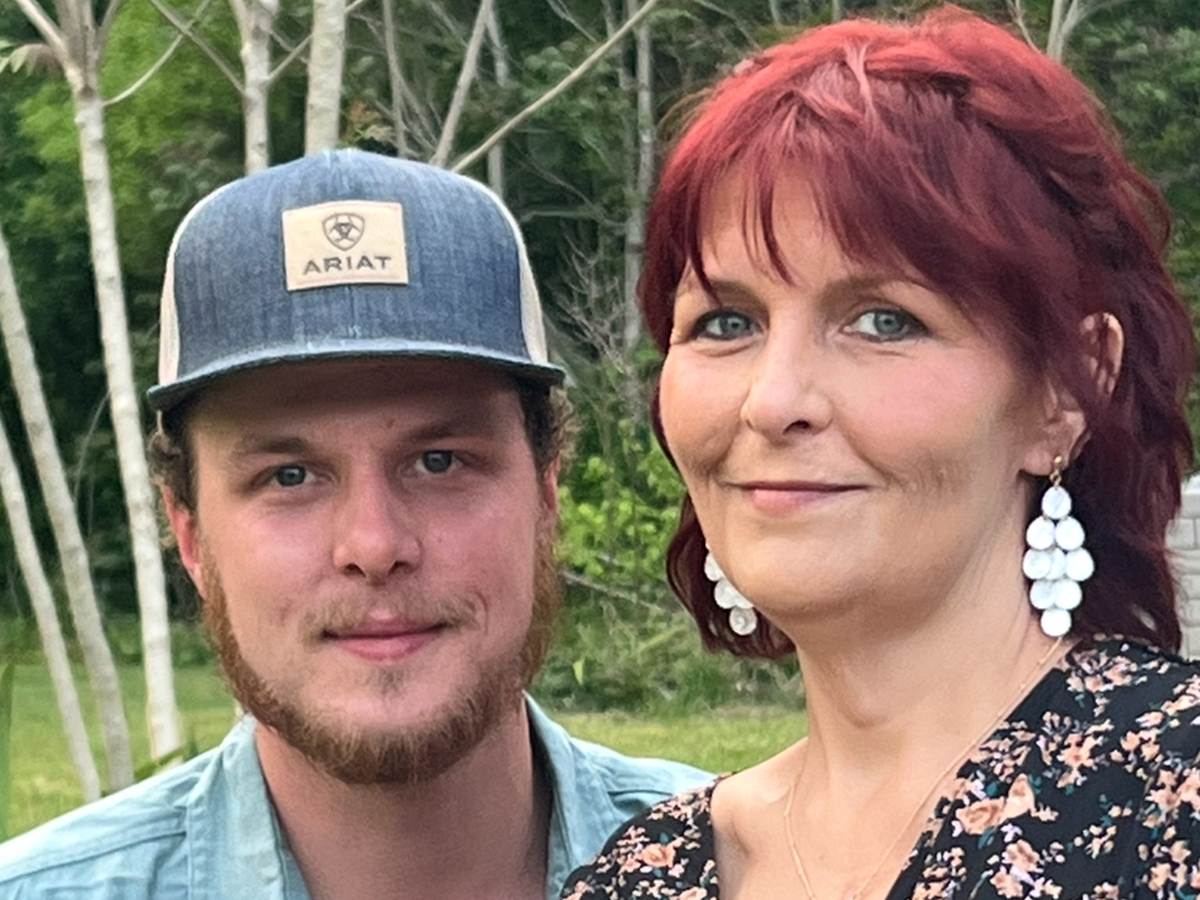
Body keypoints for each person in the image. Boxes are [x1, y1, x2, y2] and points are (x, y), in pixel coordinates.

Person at [562, 7, 1200, 899]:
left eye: (883, 321)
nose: (773, 401)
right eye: (727, 322)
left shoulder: (1174, 803)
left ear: (1065, 391)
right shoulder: (642, 875)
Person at [0, 149, 708, 900]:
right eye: (289, 476)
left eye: (439, 461)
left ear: (546, 496)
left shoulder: (759, 870)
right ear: (191, 535)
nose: (374, 545)